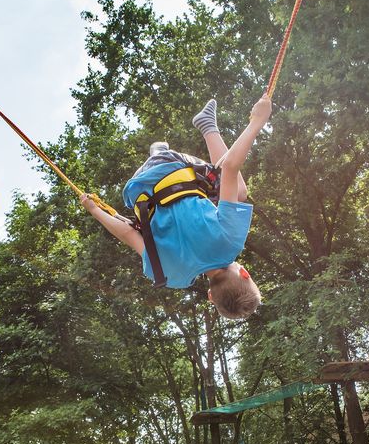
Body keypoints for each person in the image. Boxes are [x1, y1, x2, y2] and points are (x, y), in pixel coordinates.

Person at [81, 94, 272, 319]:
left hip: (168, 165)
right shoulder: (167, 276)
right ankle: (164, 149)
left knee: (238, 192)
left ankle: (203, 128)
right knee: (220, 197)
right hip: (137, 187)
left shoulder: (230, 242)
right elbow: (127, 232)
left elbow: (229, 167)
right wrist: (95, 210)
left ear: (245, 273)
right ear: (211, 296)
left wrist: (257, 121)